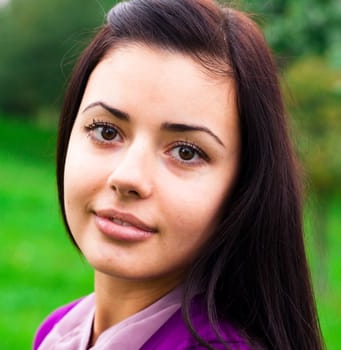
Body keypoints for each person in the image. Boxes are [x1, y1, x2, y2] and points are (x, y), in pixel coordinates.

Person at [34, 0, 324, 349]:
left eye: (186, 152)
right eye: (106, 131)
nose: (128, 177)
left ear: (243, 187)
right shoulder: (59, 332)